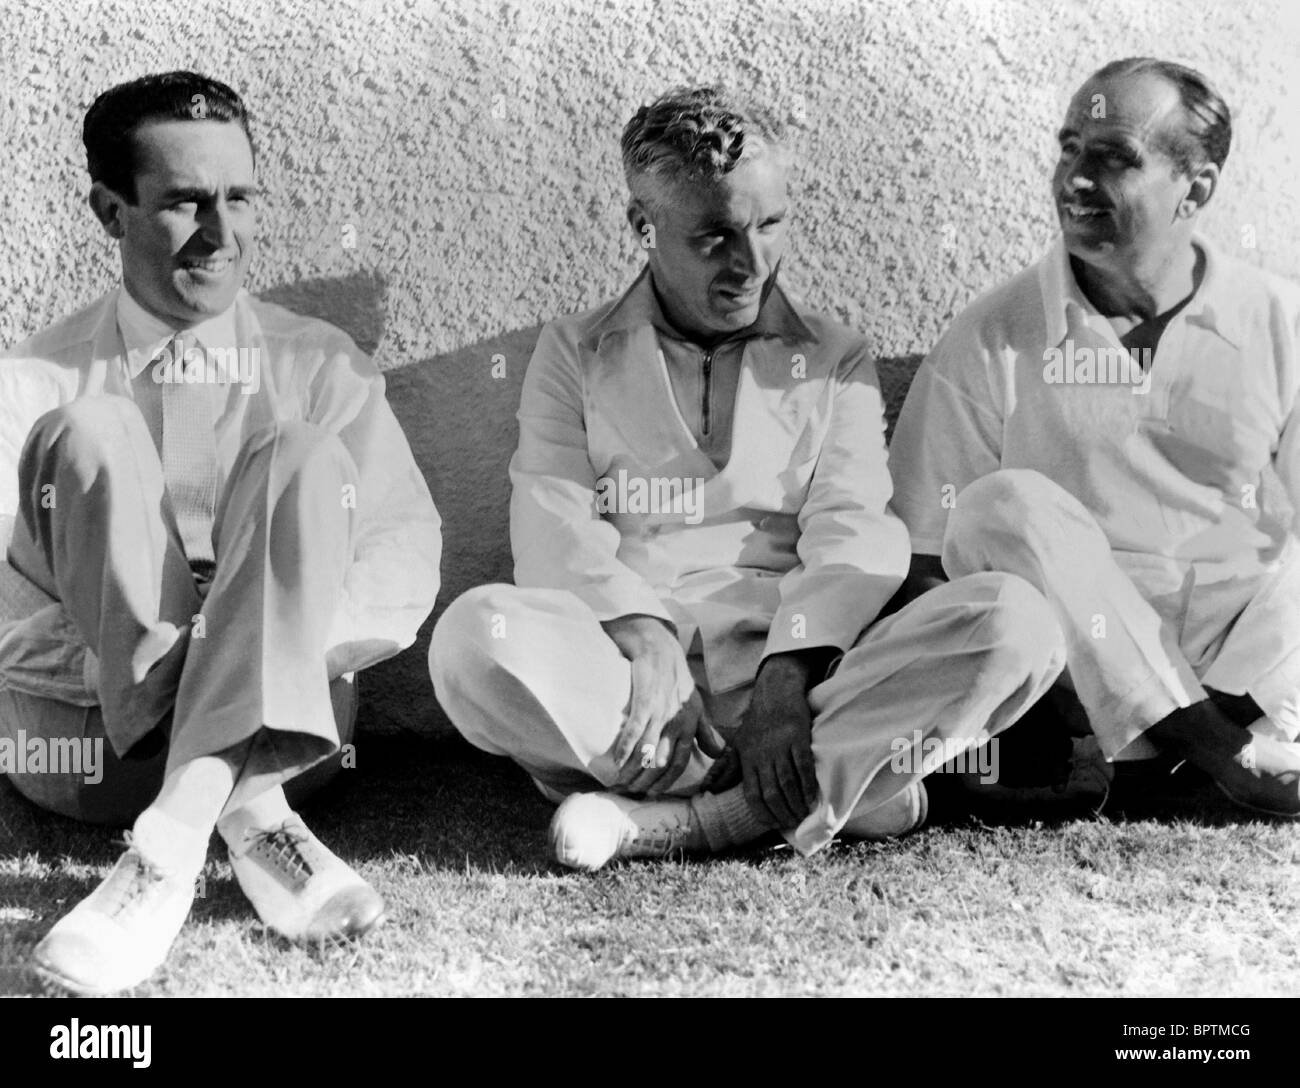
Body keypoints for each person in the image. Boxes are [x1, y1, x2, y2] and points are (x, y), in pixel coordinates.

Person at [430, 84, 1065, 872]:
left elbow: (853, 531)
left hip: (806, 681)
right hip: (631, 690)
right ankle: (844, 786)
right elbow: (551, 521)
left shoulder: (836, 357)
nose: (753, 263)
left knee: (1019, 621)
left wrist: (785, 684)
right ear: (644, 227)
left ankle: (686, 820)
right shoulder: (574, 352)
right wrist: (647, 641)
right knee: (469, 640)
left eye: (770, 225)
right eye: (716, 237)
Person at [0, 71, 441, 994]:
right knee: (90, 434)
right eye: (183, 202)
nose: (222, 232)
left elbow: (402, 552)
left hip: (295, 737)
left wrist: (255, 650)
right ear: (108, 210)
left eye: (239, 197)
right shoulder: (31, 382)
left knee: (305, 456)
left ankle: (163, 853)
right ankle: (246, 817)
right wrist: (191, 672)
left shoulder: (317, 364)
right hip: (89, 748)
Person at [888, 58, 1300, 816]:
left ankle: (1179, 755)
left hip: (1247, 661)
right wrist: (1035, 678)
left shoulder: (1282, 321)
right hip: (1080, 669)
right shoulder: (990, 336)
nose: (1074, 178)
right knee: (996, 506)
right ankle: (1211, 757)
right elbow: (922, 559)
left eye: (1113, 158)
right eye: (1069, 148)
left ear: (1197, 188)